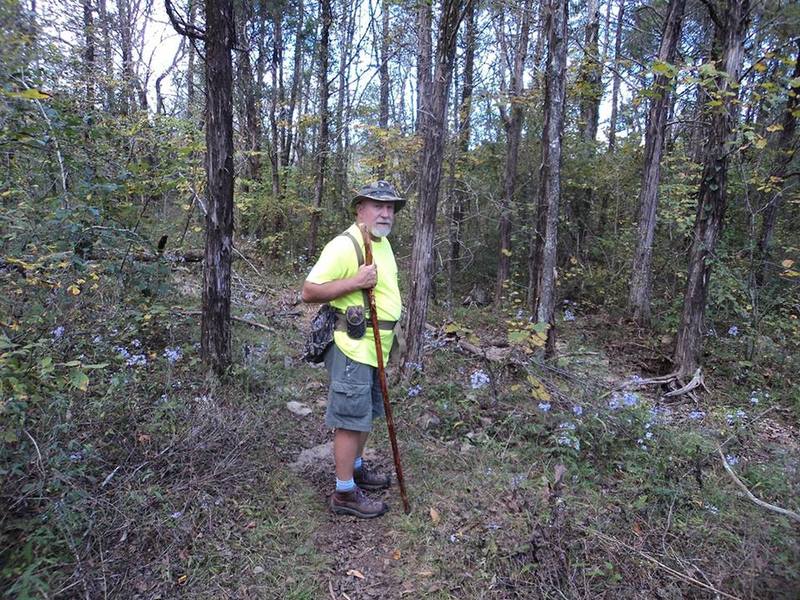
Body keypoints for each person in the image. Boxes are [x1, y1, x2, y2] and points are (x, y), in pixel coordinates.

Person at [301, 181, 405, 518]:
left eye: (390, 207)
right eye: (378, 205)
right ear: (360, 208)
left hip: (375, 348)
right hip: (352, 347)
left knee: (363, 413)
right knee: (349, 419)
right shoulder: (345, 245)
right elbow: (309, 291)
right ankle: (344, 493)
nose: (386, 213)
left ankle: (356, 470)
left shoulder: (381, 242)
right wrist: (355, 282)